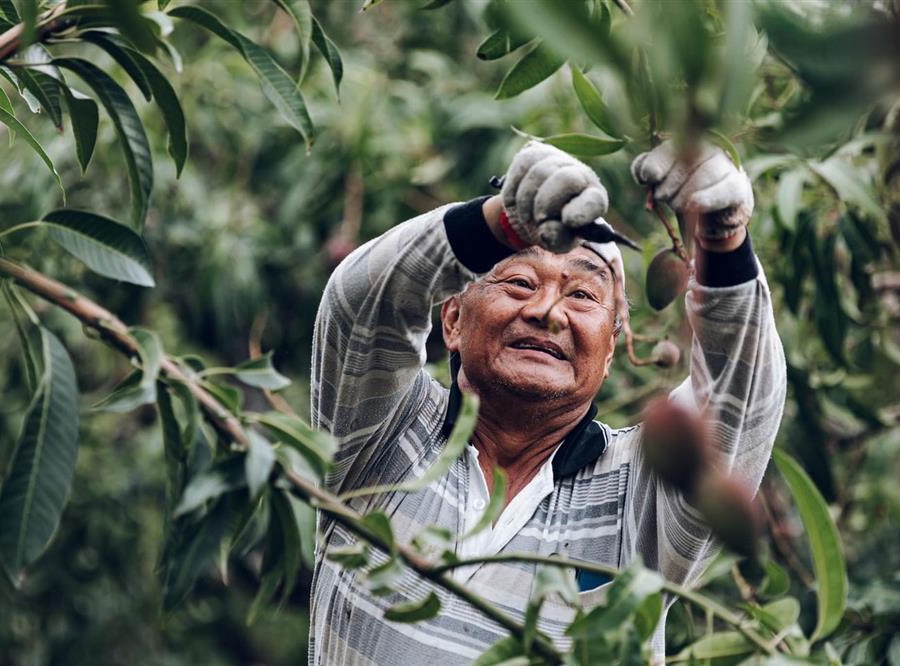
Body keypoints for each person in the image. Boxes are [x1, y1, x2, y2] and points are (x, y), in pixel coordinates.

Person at [308, 140, 786, 665]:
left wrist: (722, 241)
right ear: (453, 320)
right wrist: (500, 224)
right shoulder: (384, 437)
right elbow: (359, 306)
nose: (548, 311)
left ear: (610, 352)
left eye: (582, 295)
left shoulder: (637, 494)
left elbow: (740, 405)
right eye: (519, 281)